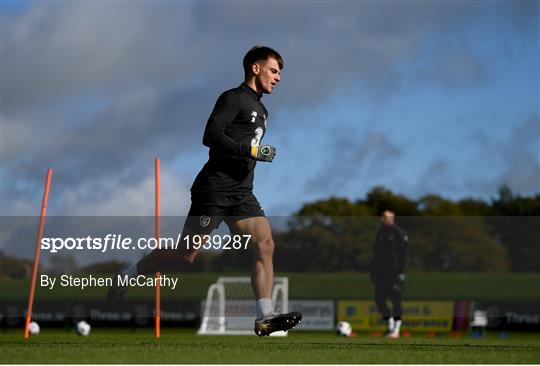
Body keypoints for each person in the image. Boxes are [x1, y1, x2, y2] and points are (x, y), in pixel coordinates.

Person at [108, 46, 301, 337]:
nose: (278, 78)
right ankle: (126, 275)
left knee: (265, 244)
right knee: (187, 254)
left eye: (279, 73)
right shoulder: (233, 98)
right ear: (255, 68)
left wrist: (252, 155)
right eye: (274, 70)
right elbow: (210, 135)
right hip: (212, 191)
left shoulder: (262, 110)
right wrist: (250, 149)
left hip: (241, 194)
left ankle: (265, 317)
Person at [370, 210, 408, 338]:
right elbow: (376, 254)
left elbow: (403, 254)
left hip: (394, 273)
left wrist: (401, 272)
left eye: (384, 217)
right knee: (379, 299)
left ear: (391, 218)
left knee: (395, 299)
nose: (382, 219)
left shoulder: (398, 233)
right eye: (382, 216)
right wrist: (373, 270)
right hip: (381, 273)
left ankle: (396, 329)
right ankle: (390, 324)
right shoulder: (380, 233)